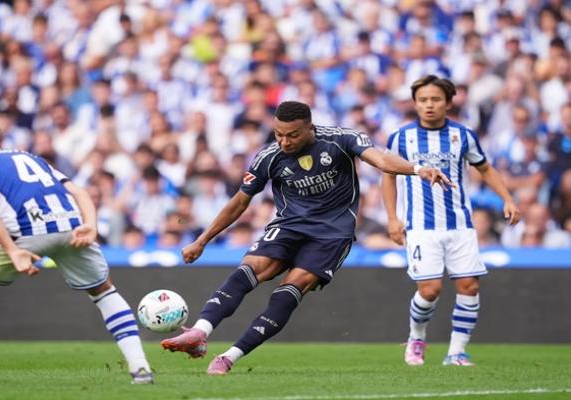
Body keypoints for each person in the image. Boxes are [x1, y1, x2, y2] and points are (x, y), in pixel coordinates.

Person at [160, 101, 452, 375]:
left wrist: (417, 169)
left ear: (310, 128)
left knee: (290, 288)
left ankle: (229, 357)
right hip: (289, 226)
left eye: (292, 135)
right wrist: (202, 240)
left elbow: (381, 160)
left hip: (332, 234)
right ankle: (199, 332)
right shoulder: (268, 157)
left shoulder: (341, 139)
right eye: (279, 134)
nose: (284, 142)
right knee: (249, 268)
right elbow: (239, 202)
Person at [0, 116, 153, 385]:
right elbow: (80, 192)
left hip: (26, 230)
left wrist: (12, 250)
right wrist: (91, 226)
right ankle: (140, 368)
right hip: (71, 226)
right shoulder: (30, 157)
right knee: (104, 291)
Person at [382, 75, 521, 367]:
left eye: (435, 99)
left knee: (469, 286)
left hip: (460, 225)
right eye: (423, 100)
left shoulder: (463, 135)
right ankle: (416, 337)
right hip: (421, 226)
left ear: (448, 103)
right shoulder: (400, 137)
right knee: (429, 290)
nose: (429, 105)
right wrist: (393, 218)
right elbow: (388, 177)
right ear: (415, 103)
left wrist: (508, 198)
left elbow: (485, 168)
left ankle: (457, 352)